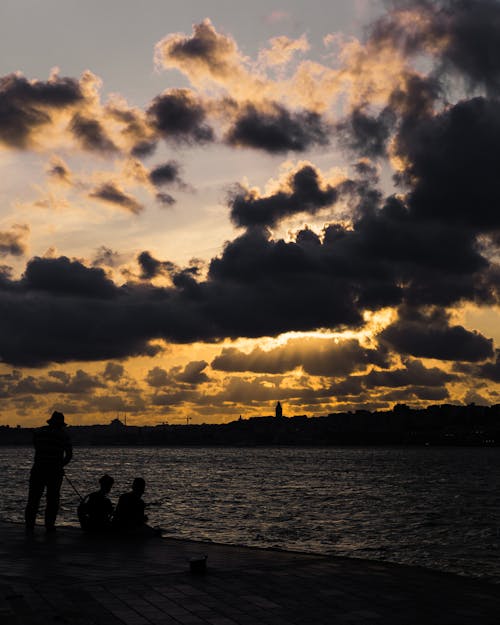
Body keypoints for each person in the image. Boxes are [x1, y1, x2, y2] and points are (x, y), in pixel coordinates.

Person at [25, 411, 72, 533]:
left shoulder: (39, 432)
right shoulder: (63, 435)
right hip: (54, 472)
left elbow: (36, 445)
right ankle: (49, 525)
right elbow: (69, 454)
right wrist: (60, 465)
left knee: (33, 499)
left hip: (38, 469)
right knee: (52, 500)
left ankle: (29, 525)